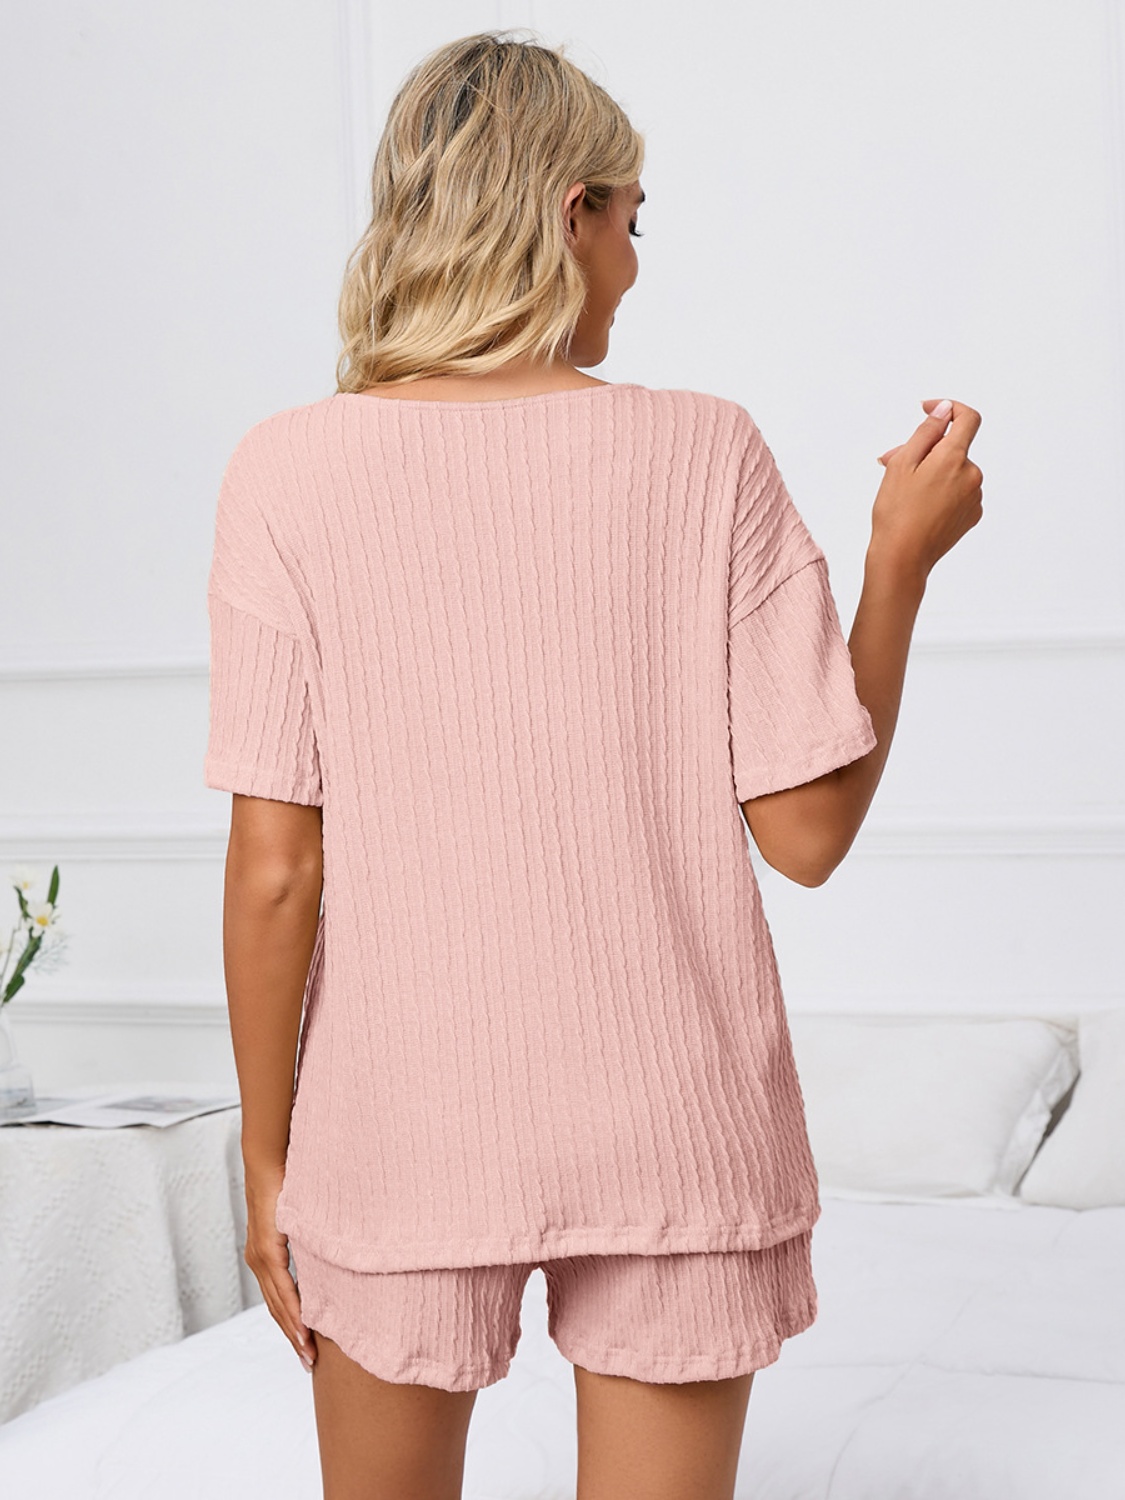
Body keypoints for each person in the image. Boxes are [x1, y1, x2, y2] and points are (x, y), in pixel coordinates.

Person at [204, 28, 983, 1500]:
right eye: (632, 218)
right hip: (675, 1121)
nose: (634, 262)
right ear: (570, 212)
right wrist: (898, 563)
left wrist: (267, 1160)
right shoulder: (707, 453)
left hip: (398, 1127)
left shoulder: (283, 468)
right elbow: (806, 833)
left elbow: (274, 871)